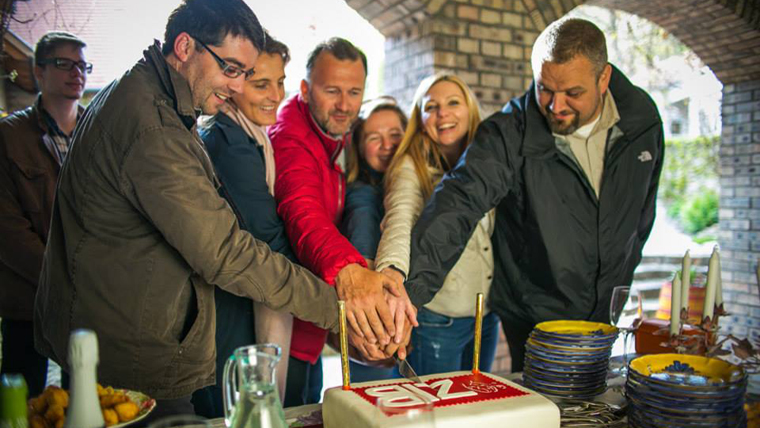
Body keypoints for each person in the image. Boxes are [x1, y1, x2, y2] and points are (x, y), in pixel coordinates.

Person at [32, 0, 376, 420]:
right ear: (184, 46)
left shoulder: (151, 95)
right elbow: (226, 252)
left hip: (123, 340)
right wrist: (340, 310)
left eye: (246, 74)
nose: (237, 86)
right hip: (128, 360)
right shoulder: (152, 126)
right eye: (231, 69)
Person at [405, 18, 664, 372]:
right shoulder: (508, 132)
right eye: (544, 89)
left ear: (603, 78)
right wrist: (406, 296)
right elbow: (458, 202)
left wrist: (621, 275)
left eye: (573, 93)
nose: (556, 106)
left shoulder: (642, 120)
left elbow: (642, 213)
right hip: (533, 316)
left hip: (605, 311)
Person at [269, 38, 416, 406]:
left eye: (354, 92)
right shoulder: (292, 135)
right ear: (304, 89)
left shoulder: (335, 135)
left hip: (311, 325)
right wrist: (351, 274)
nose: (345, 105)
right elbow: (303, 212)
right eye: (332, 90)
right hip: (284, 327)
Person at [190, 33, 294, 417]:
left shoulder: (253, 136)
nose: (275, 94)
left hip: (243, 294)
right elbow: (265, 234)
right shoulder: (226, 139)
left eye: (280, 81)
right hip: (227, 304)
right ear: (234, 85)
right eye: (261, 83)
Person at [375, 74, 500, 376]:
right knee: (437, 416)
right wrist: (390, 273)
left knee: (476, 410)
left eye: (453, 103)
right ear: (420, 119)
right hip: (438, 318)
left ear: (470, 109)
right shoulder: (411, 165)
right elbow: (399, 219)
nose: (442, 113)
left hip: (486, 314)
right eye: (431, 107)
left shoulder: (488, 162)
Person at [0, 31, 89, 397]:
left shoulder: (97, 131)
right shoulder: (10, 136)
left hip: (89, 296)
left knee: (87, 395)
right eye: (63, 64)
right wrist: (59, 277)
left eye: (82, 65)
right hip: (28, 296)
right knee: (24, 398)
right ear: (39, 72)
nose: (76, 73)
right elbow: (7, 228)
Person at [340, 97, 407, 381]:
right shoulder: (361, 192)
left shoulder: (411, 184)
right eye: (374, 138)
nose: (387, 145)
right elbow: (362, 225)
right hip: (377, 325)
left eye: (395, 135)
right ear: (358, 145)